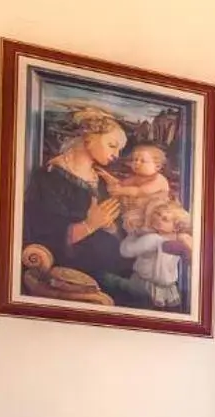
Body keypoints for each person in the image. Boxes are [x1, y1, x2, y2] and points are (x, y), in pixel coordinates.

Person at [19, 108, 132, 287]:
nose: (116, 155)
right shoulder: (49, 177)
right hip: (78, 274)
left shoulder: (102, 181)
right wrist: (89, 225)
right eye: (112, 145)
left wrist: (111, 228)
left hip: (114, 268)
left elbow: (119, 232)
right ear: (88, 137)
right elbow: (42, 233)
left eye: (120, 149)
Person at [119, 200, 192, 309]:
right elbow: (126, 252)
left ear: (176, 227)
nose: (158, 219)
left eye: (165, 219)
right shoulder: (154, 238)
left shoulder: (157, 239)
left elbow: (126, 250)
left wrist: (132, 235)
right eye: (157, 214)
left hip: (158, 287)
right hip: (147, 285)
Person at [100, 144, 174, 233]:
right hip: (136, 210)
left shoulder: (159, 179)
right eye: (135, 160)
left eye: (142, 161)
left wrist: (121, 191)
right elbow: (122, 184)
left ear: (157, 166)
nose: (137, 163)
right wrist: (109, 179)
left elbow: (141, 191)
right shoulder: (136, 177)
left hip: (152, 214)